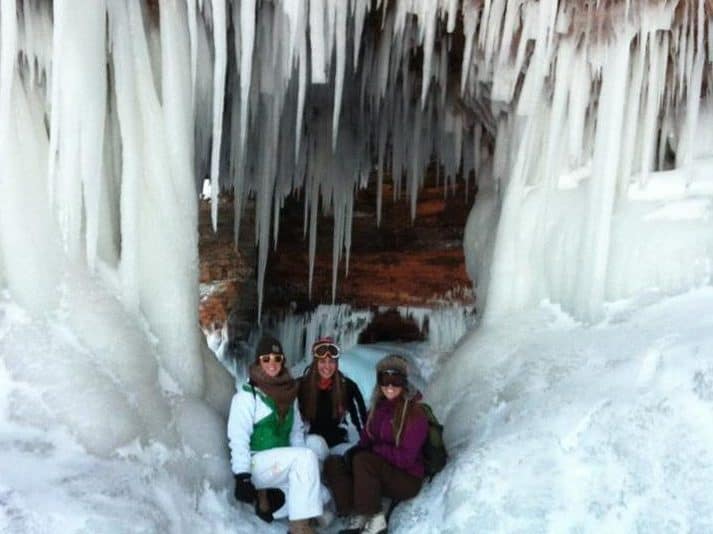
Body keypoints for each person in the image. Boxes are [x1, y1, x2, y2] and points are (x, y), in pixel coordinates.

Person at [227, 335, 322, 534]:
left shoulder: (289, 394)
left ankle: (269, 501)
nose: (272, 363)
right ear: (258, 361)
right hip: (255, 464)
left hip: (279, 463)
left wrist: (306, 468)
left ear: (282, 361)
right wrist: (242, 476)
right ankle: (299, 528)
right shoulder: (247, 396)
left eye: (277, 359)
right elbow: (238, 438)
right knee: (305, 461)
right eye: (266, 358)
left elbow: (296, 433)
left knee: (320, 482)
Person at [324, 354, 429, 534]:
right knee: (334, 463)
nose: (389, 386)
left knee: (364, 461)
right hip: (379, 471)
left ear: (404, 382)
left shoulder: (414, 413)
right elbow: (367, 440)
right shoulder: (377, 408)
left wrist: (374, 452)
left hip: (407, 479)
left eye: (395, 380)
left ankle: (376, 520)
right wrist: (356, 451)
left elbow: (406, 458)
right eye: (384, 379)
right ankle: (356, 512)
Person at [298, 337, 368, 462]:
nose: (327, 366)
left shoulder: (347, 387)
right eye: (322, 362)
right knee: (315, 444)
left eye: (331, 362)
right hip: (312, 446)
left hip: (338, 445)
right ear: (315, 363)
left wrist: (366, 442)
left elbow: (361, 419)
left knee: (355, 457)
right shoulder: (302, 386)